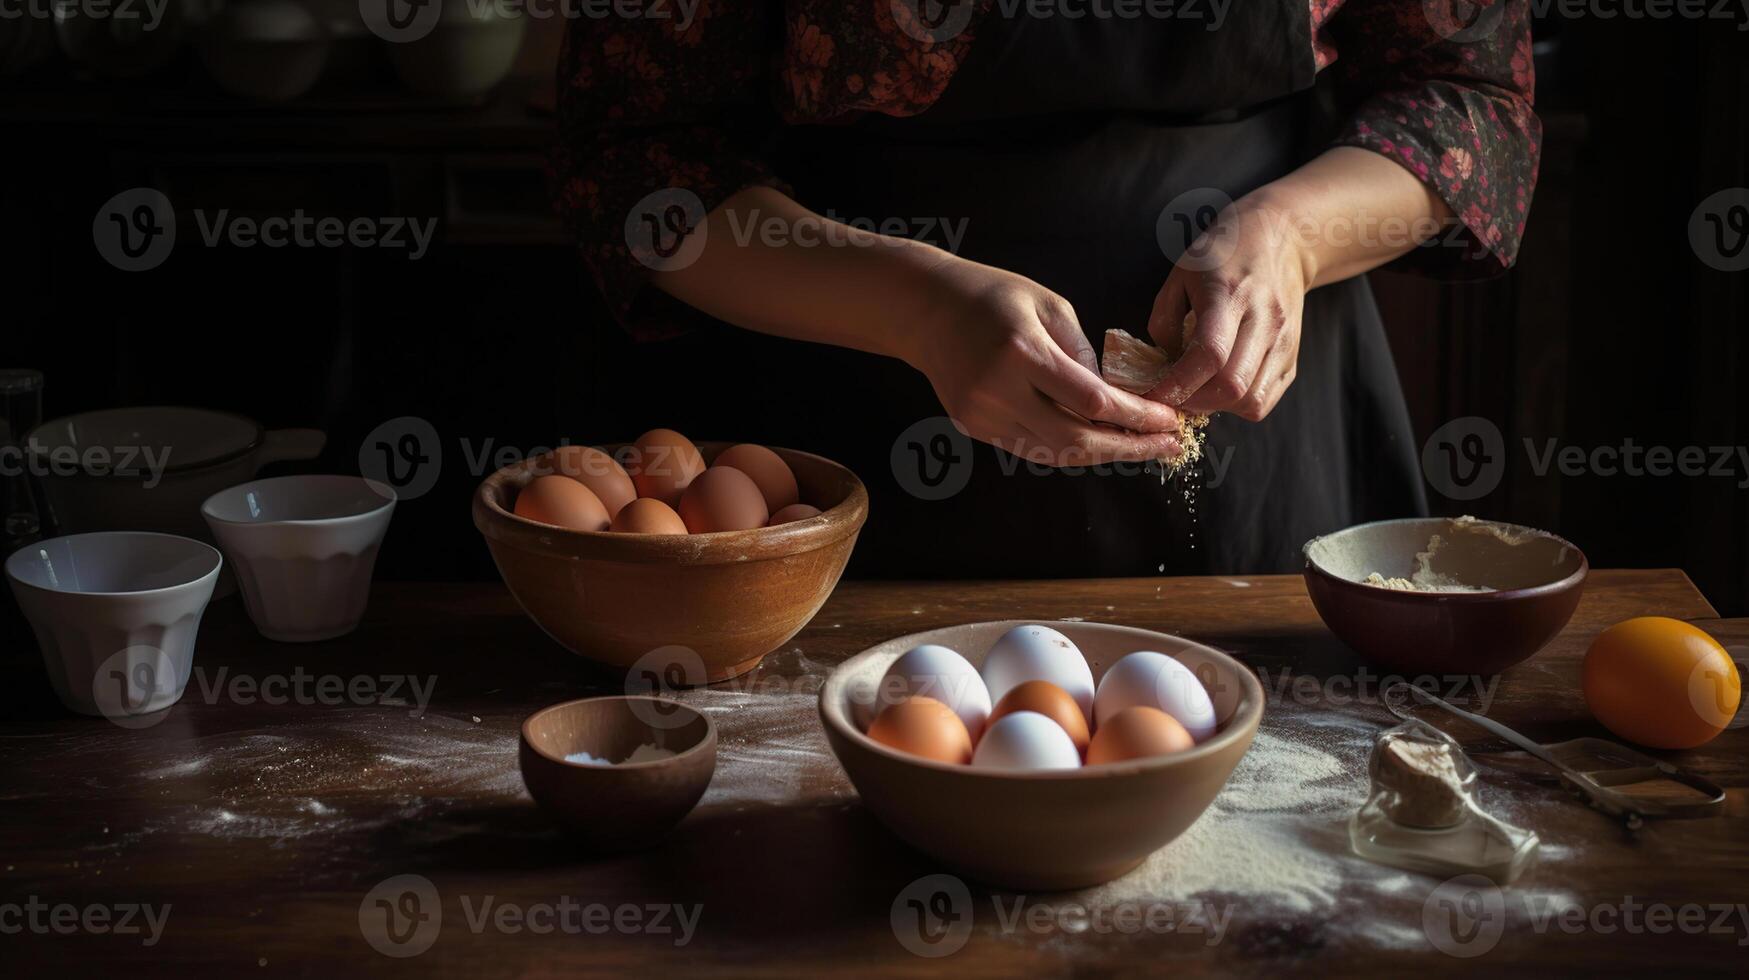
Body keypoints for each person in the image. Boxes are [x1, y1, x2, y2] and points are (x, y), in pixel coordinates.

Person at [549, 2, 1540, 578]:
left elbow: (1470, 98)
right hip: (853, 434)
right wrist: (916, 306)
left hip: (1268, 453)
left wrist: (1292, 233)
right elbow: (638, 161)